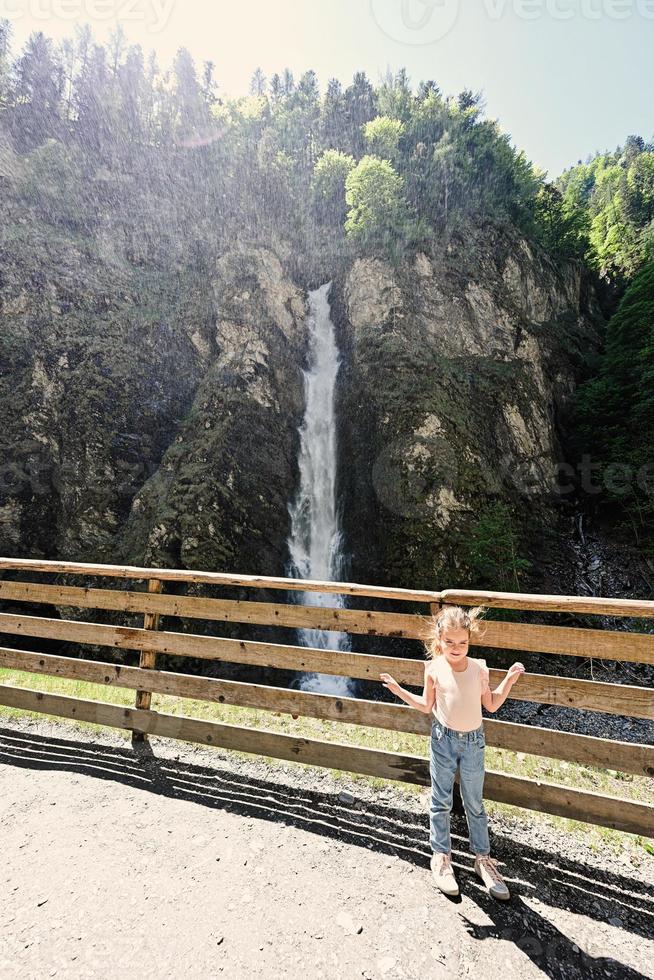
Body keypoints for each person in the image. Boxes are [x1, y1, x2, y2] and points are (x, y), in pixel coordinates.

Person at [379, 604, 525, 900]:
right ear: (439, 640)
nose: (457, 648)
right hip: (442, 739)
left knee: (474, 802)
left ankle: (483, 859)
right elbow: (426, 706)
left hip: (474, 742)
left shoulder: (479, 668)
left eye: (463, 643)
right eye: (450, 642)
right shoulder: (433, 668)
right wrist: (398, 690)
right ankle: (441, 857)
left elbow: (492, 704)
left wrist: (508, 680)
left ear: (469, 641)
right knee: (441, 799)